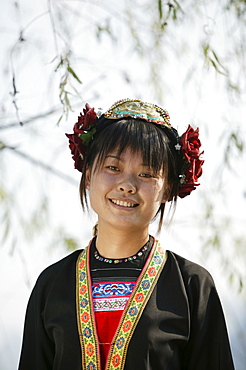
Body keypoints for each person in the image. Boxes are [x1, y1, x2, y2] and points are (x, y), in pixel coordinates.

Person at [18, 99, 235, 370]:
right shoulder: (52, 285)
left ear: (167, 188)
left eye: (146, 173)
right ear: (88, 175)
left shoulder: (192, 286)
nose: (127, 185)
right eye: (113, 168)